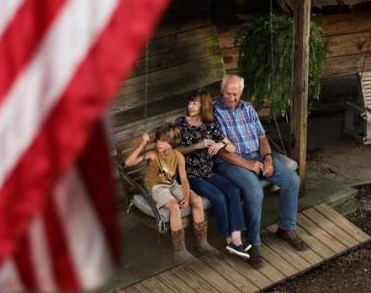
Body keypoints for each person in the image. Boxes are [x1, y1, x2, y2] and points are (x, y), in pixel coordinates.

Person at [213, 74, 307, 269]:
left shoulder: (247, 108)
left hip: (257, 155)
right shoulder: (215, 112)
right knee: (254, 191)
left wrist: (268, 159)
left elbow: (262, 137)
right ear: (221, 92)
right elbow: (222, 152)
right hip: (232, 163)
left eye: (235, 94)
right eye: (228, 94)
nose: (231, 98)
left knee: (292, 180)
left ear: (241, 93)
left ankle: (286, 228)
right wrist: (248, 165)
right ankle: (253, 243)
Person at [124, 123, 218, 263]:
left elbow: (184, 181)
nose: (158, 143)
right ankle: (180, 251)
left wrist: (186, 197)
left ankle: (201, 243)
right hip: (156, 187)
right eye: (157, 140)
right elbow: (128, 163)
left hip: (172, 184)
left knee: (197, 200)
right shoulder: (152, 154)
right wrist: (143, 143)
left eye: (163, 140)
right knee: (174, 207)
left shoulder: (178, 156)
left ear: (172, 142)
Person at [174, 89, 252, 259]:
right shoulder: (180, 123)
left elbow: (232, 148)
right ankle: (229, 239)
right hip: (190, 175)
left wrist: (222, 144)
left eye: (195, 103)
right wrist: (197, 145)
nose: (190, 105)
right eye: (189, 102)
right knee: (218, 197)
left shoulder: (211, 123)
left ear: (204, 105)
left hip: (208, 172)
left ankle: (237, 239)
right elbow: (174, 152)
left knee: (234, 191)